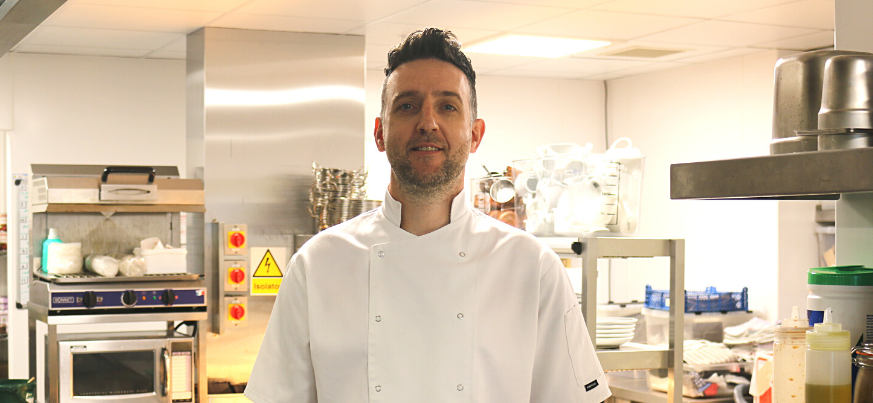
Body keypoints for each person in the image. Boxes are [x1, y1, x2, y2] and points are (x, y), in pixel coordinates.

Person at [244, 28, 610, 403]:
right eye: (407, 105)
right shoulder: (317, 265)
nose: (427, 123)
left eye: (448, 106)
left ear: (475, 134)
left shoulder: (533, 269)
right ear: (380, 133)